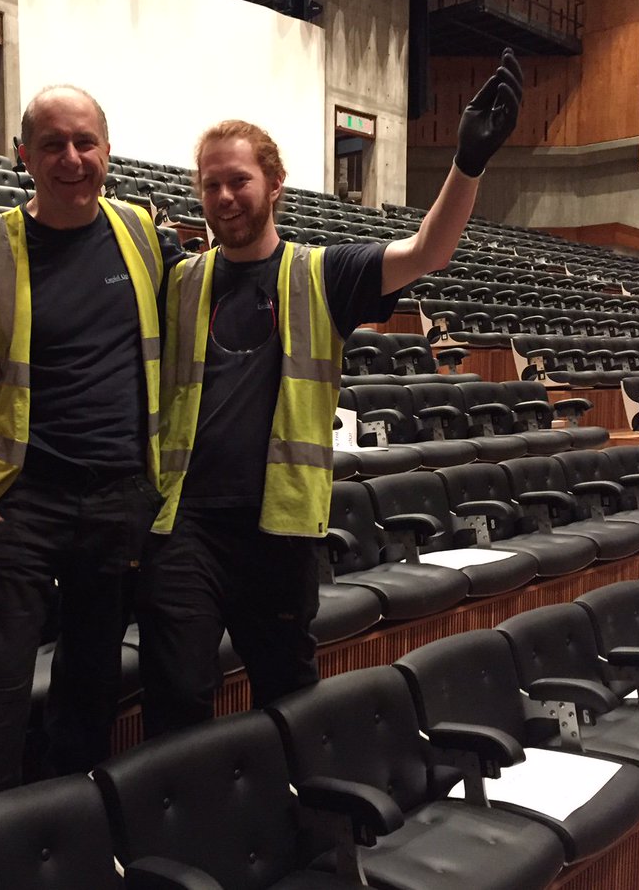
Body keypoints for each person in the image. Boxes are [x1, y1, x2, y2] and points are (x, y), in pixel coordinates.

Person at [137, 50, 524, 738]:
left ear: (275, 184)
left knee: (288, 695)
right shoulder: (181, 280)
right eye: (211, 184)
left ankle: (294, 808)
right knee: (176, 693)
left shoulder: (323, 273)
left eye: (239, 181)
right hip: (188, 524)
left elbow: (427, 252)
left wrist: (468, 163)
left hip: (278, 529)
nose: (224, 197)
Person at [0, 84, 184, 808]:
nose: (72, 159)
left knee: (91, 692)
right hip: (20, 502)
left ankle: (64, 840)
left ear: (108, 151)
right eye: (53, 144)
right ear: (23, 155)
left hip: (119, 498)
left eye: (85, 142)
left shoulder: (143, 236)